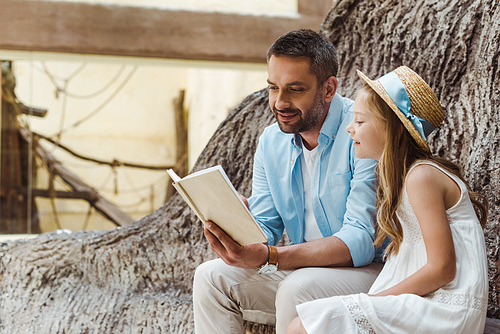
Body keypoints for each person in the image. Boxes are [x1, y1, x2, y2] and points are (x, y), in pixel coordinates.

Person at [193, 29, 384, 334]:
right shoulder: (271, 141)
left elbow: (360, 242)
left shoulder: (361, 129)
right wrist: (237, 224)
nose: (280, 102)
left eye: (295, 89)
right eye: (273, 88)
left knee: (298, 286)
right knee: (211, 277)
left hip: (370, 273)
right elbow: (266, 228)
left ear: (328, 89)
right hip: (302, 270)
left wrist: (272, 256)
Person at [287, 66, 489, 333]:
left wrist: (372, 301)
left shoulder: (422, 177)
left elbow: (442, 269)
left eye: (359, 121)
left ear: (393, 129)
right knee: (308, 322)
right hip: (426, 299)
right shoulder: (404, 179)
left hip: (446, 307)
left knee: (305, 325)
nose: (349, 128)